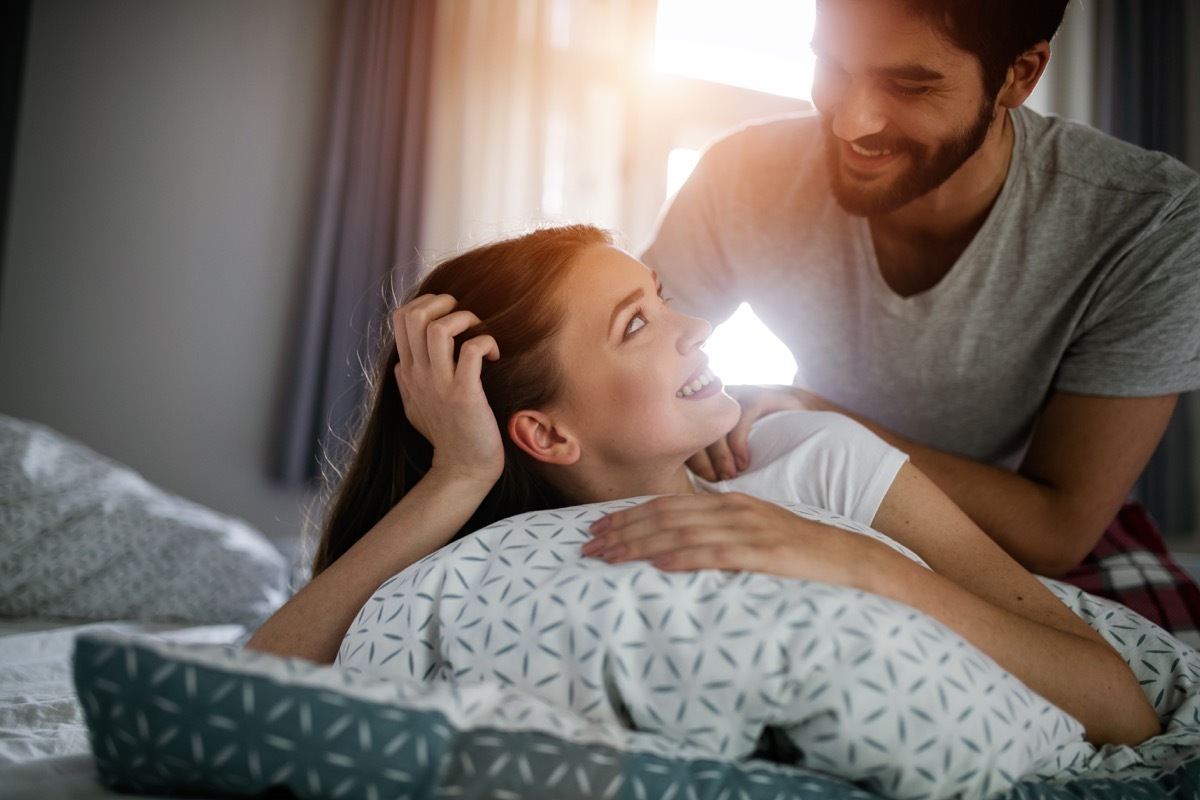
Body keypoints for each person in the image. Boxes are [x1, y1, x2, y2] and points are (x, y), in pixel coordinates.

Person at [248, 224, 1161, 747]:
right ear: (545, 433)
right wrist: (462, 471)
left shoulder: (808, 458)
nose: (694, 326)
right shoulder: (489, 575)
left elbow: (1121, 706)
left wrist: (862, 563)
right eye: (638, 323)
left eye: (661, 293)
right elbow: (251, 695)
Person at [639, 0, 1200, 623]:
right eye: (832, 66)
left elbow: (1056, 530)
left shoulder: (1149, 223)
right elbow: (629, 362)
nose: (850, 123)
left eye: (908, 84)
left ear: (1020, 74)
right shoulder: (740, 175)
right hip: (821, 495)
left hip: (1014, 534)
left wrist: (823, 417)